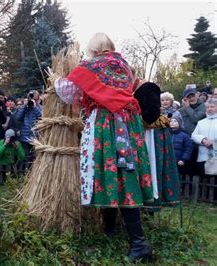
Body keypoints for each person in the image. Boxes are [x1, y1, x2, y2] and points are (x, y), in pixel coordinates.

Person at [53, 33, 153, 261]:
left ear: (94, 50)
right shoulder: (126, 67)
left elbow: (68, 92)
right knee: (124, 174)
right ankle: (110, 229)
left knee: (110, 172)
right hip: (129, 124)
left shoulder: (91, 65)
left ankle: (139, 244)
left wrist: (56, 80)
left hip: (106, 124)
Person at [134, 82, 180, 209]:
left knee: (155, 167)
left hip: (153, 142)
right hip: (146, 141)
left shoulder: (160, 125)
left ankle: (152, 201)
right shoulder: (139, 123)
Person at [191, 98, 217, 178]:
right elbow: (193, 135)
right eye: (208, 107)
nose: (209, 109)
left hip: (215, 156)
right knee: (204, 180)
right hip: (203, 156)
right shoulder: (201, 122)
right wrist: (203, 140)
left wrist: (213, 142)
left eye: (212, 107)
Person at [15, 90, 42, 165]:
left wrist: (35, 107)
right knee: (26, 158)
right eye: (32, 99)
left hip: (36, 138)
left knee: (35, 159)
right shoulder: (24, 108)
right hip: (25, 137)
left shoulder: (40, 108)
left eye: (35, 99)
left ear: (39, 99)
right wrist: (24, 106)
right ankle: (25, 174)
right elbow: (18, 118)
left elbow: (42, 117)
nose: (33, 101)